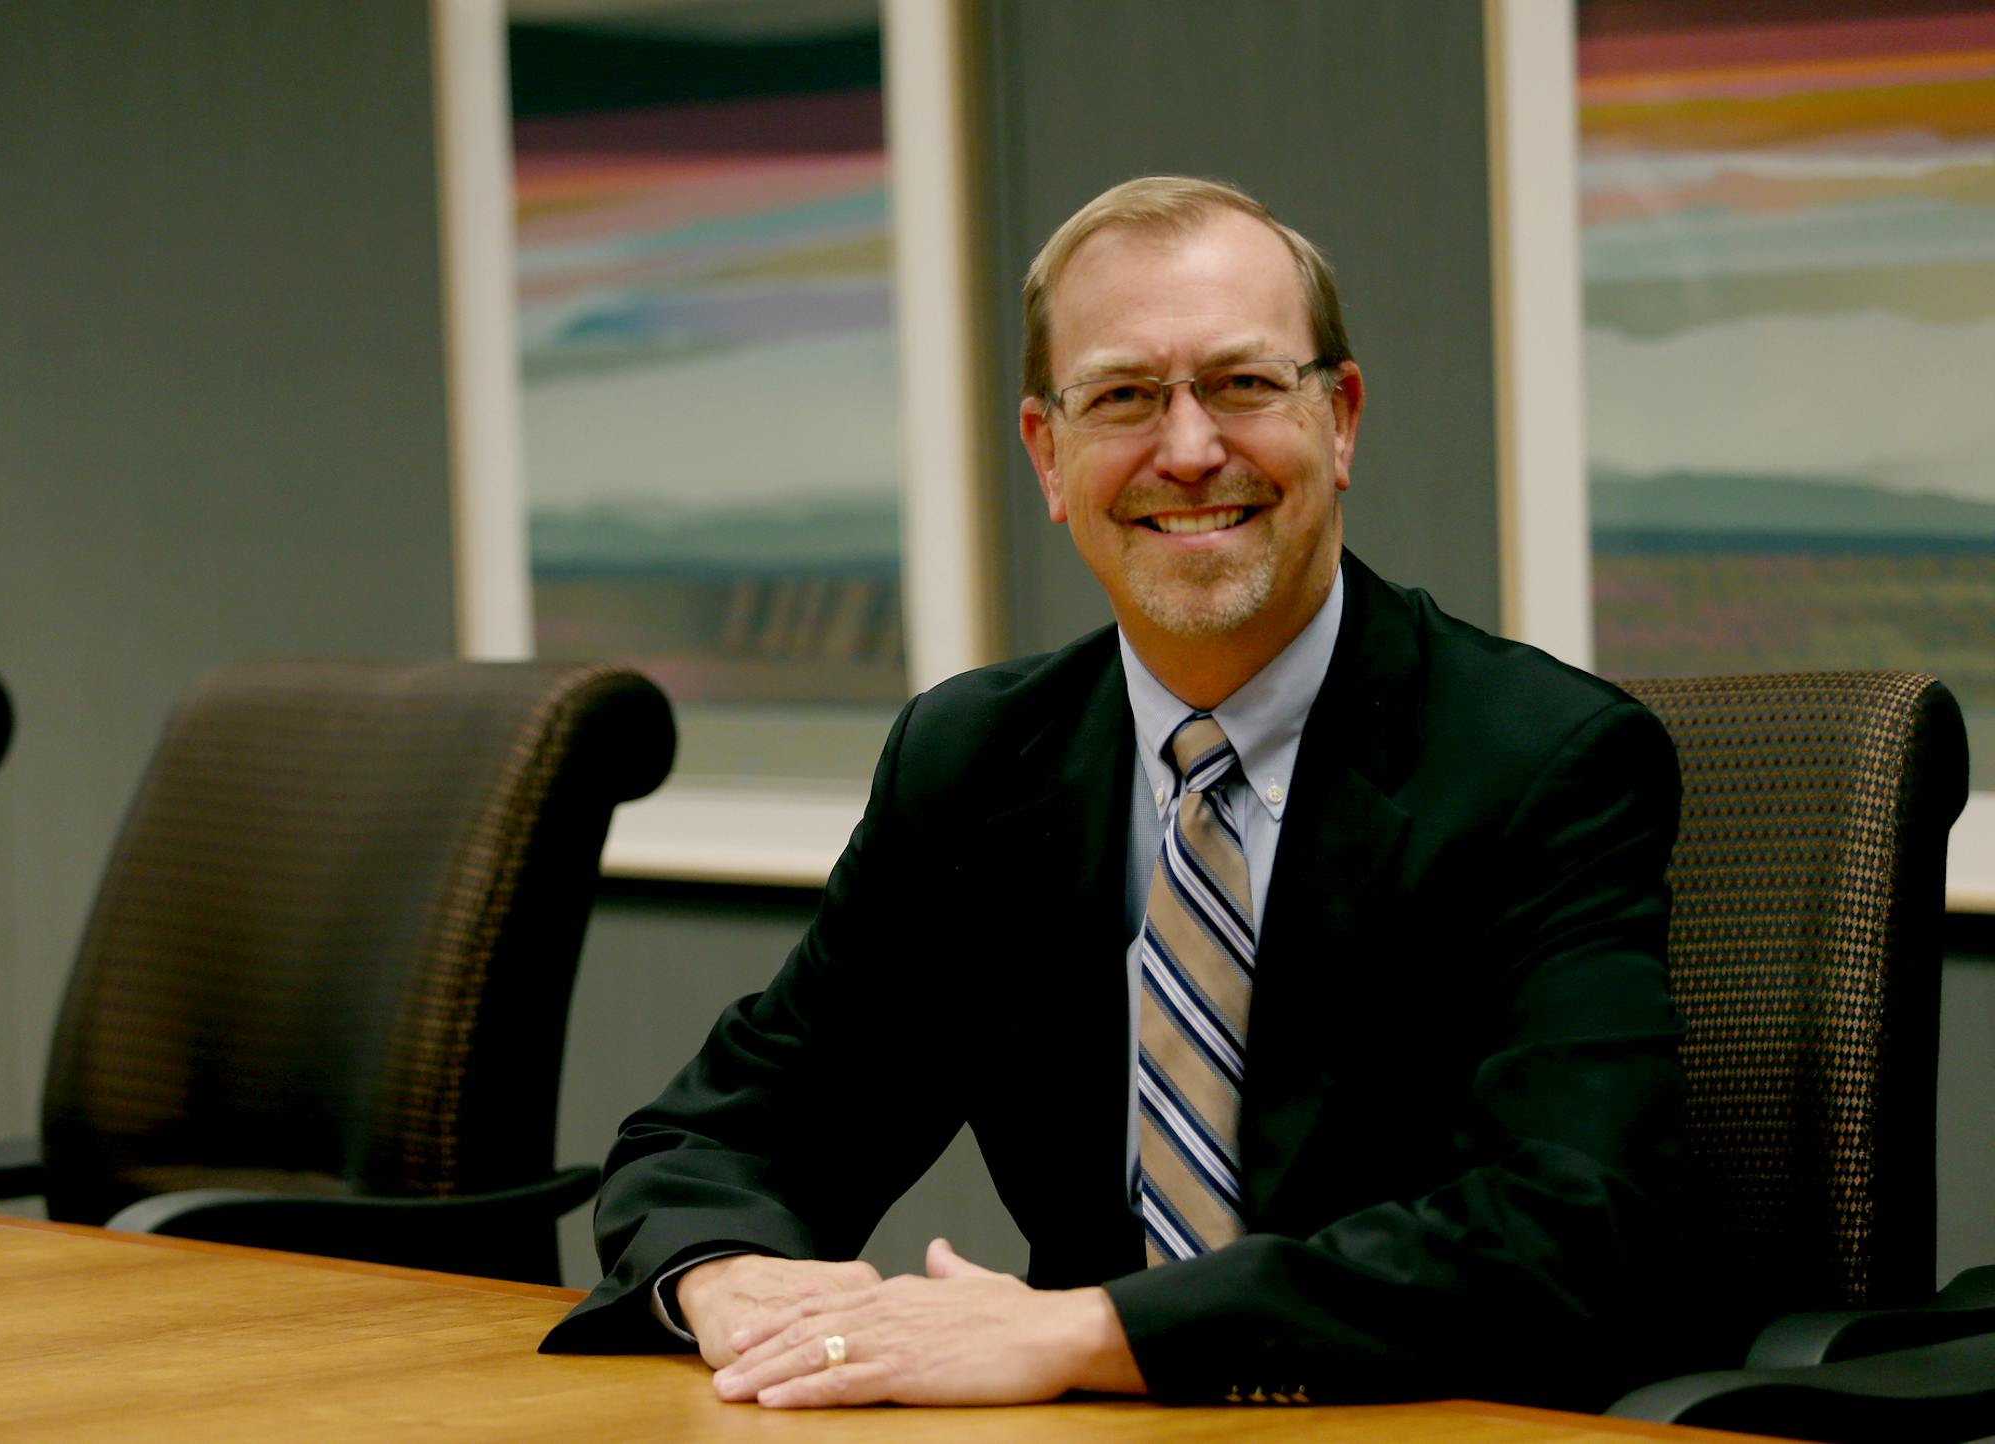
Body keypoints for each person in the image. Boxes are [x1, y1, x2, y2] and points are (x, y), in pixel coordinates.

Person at [541, 176, 1686, 1412]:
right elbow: (712, 1140)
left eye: (1245, 385)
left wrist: (1088, 1332)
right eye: (1126, 398)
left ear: (1341, 420)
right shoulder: (976, 762)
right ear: (1049, 452)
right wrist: (731, 1281)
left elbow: (1570, 1224)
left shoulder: (1544, 761)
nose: (1190, 451)